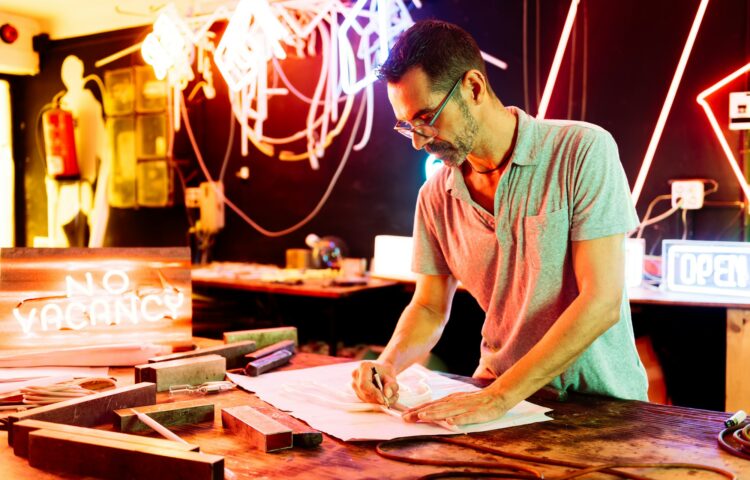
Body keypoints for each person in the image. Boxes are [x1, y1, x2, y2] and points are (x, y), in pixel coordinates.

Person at [351, 20, 648, 426]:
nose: (420, 141)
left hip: (601, 406)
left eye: (426, 118)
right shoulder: (435, 195)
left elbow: (601, 302)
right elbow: (428, 305)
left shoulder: (582, 150)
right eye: (408, 127)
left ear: (473, 87)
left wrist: (498, 398)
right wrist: (388, 363)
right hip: (497, 400)